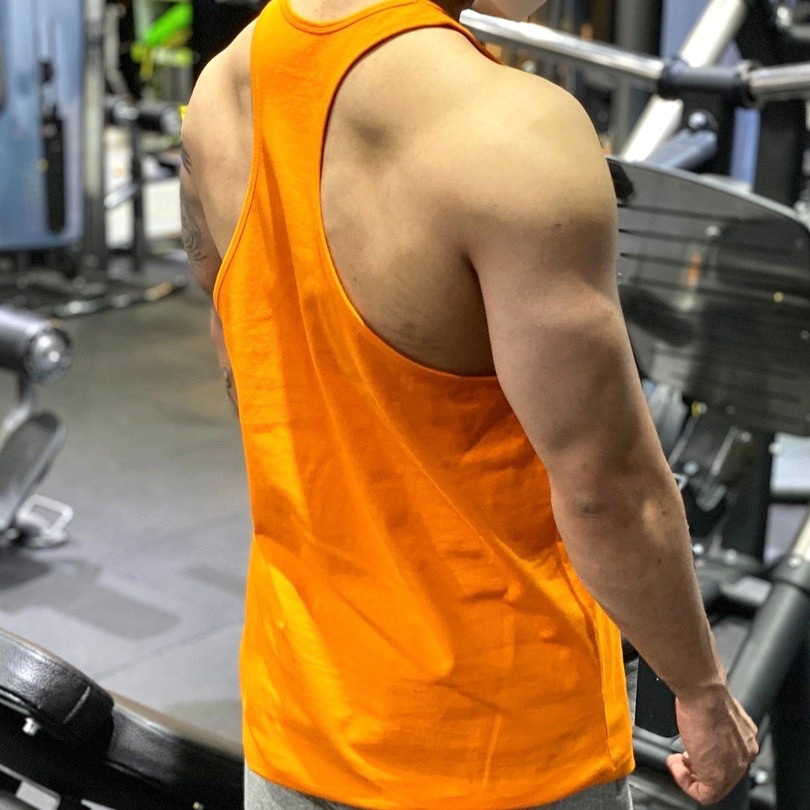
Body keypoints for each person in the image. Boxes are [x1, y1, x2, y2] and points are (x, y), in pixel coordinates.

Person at [179, 0, 759, 807]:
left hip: (297, 719)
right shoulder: (512, 131)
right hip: (500, 749)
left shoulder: (220, 90)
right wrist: (699, 689)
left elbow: (242, 354)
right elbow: (606, 490)